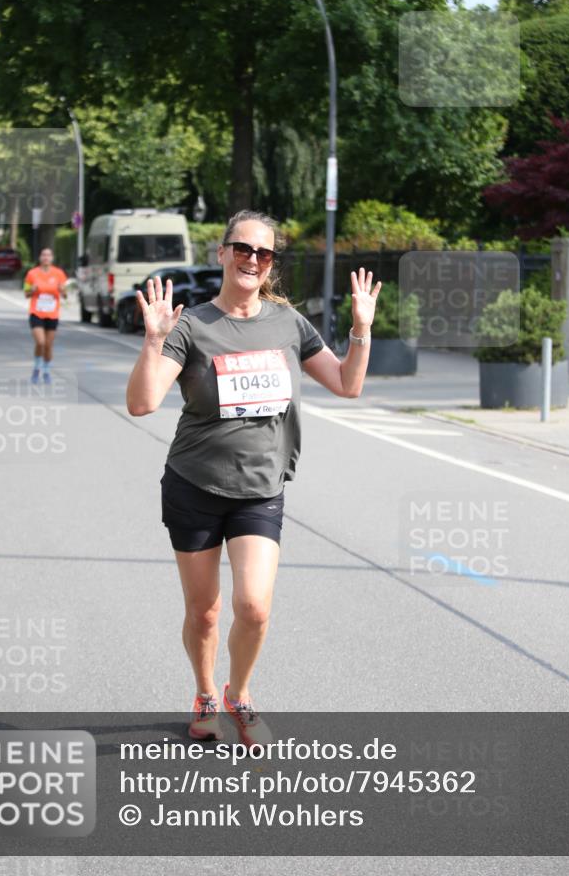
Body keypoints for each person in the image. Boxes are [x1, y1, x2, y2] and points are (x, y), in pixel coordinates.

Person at [126, 210, 381, 747]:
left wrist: (361, 328)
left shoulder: (288, 322)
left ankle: (238, 695)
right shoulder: (192, 324)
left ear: (271, 264)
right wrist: (153, 341)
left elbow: (346, 384)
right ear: (222, 253)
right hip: (194, 484)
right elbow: (142, 402)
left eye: (263, 254)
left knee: (254, 608)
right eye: (242, 249)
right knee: (205, 611)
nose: (252, 260)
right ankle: (203, 694)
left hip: (260, 489)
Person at [24, 248, 68, 384]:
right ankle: (37, 367)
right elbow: (26, 294)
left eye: (48, 255)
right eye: (43, 255)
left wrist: (62, 290)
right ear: (40, 257)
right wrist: (31, 290)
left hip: (52, 314)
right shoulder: (32, 274)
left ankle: (47, 370)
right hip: (36, 312)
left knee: (48, 345)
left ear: (52, 258)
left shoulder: (59, 274)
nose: (46, 257)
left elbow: (66, 295)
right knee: (40, 342)